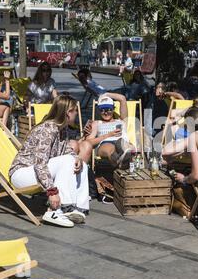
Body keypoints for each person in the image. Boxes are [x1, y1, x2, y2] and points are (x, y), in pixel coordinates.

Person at [9, 95, 90, 228]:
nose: (77, 113)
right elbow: (40, 164)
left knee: (81, 164)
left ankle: (78, 208)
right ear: (67, 113)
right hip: (22, 174)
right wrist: (52, 192)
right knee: (66, 161)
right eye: (75, 110)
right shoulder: (48, 129)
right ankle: (56, 210)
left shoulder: (62, 129)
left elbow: (66, 150)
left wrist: (78, 158)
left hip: (36, 172)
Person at [85, 94, 136, 168]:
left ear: (113, 109)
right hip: (105, 143)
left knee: (124, 145)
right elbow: (88, 142)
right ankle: (122, 160)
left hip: (122, 141)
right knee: (110, 148)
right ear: (98, 111)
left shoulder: (122, 121)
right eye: (102, 110)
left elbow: (122, 98)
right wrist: (108, 135)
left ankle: (123, 156)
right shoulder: (96, 123)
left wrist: (106, 94)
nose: (106, 112)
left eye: (109, 109)